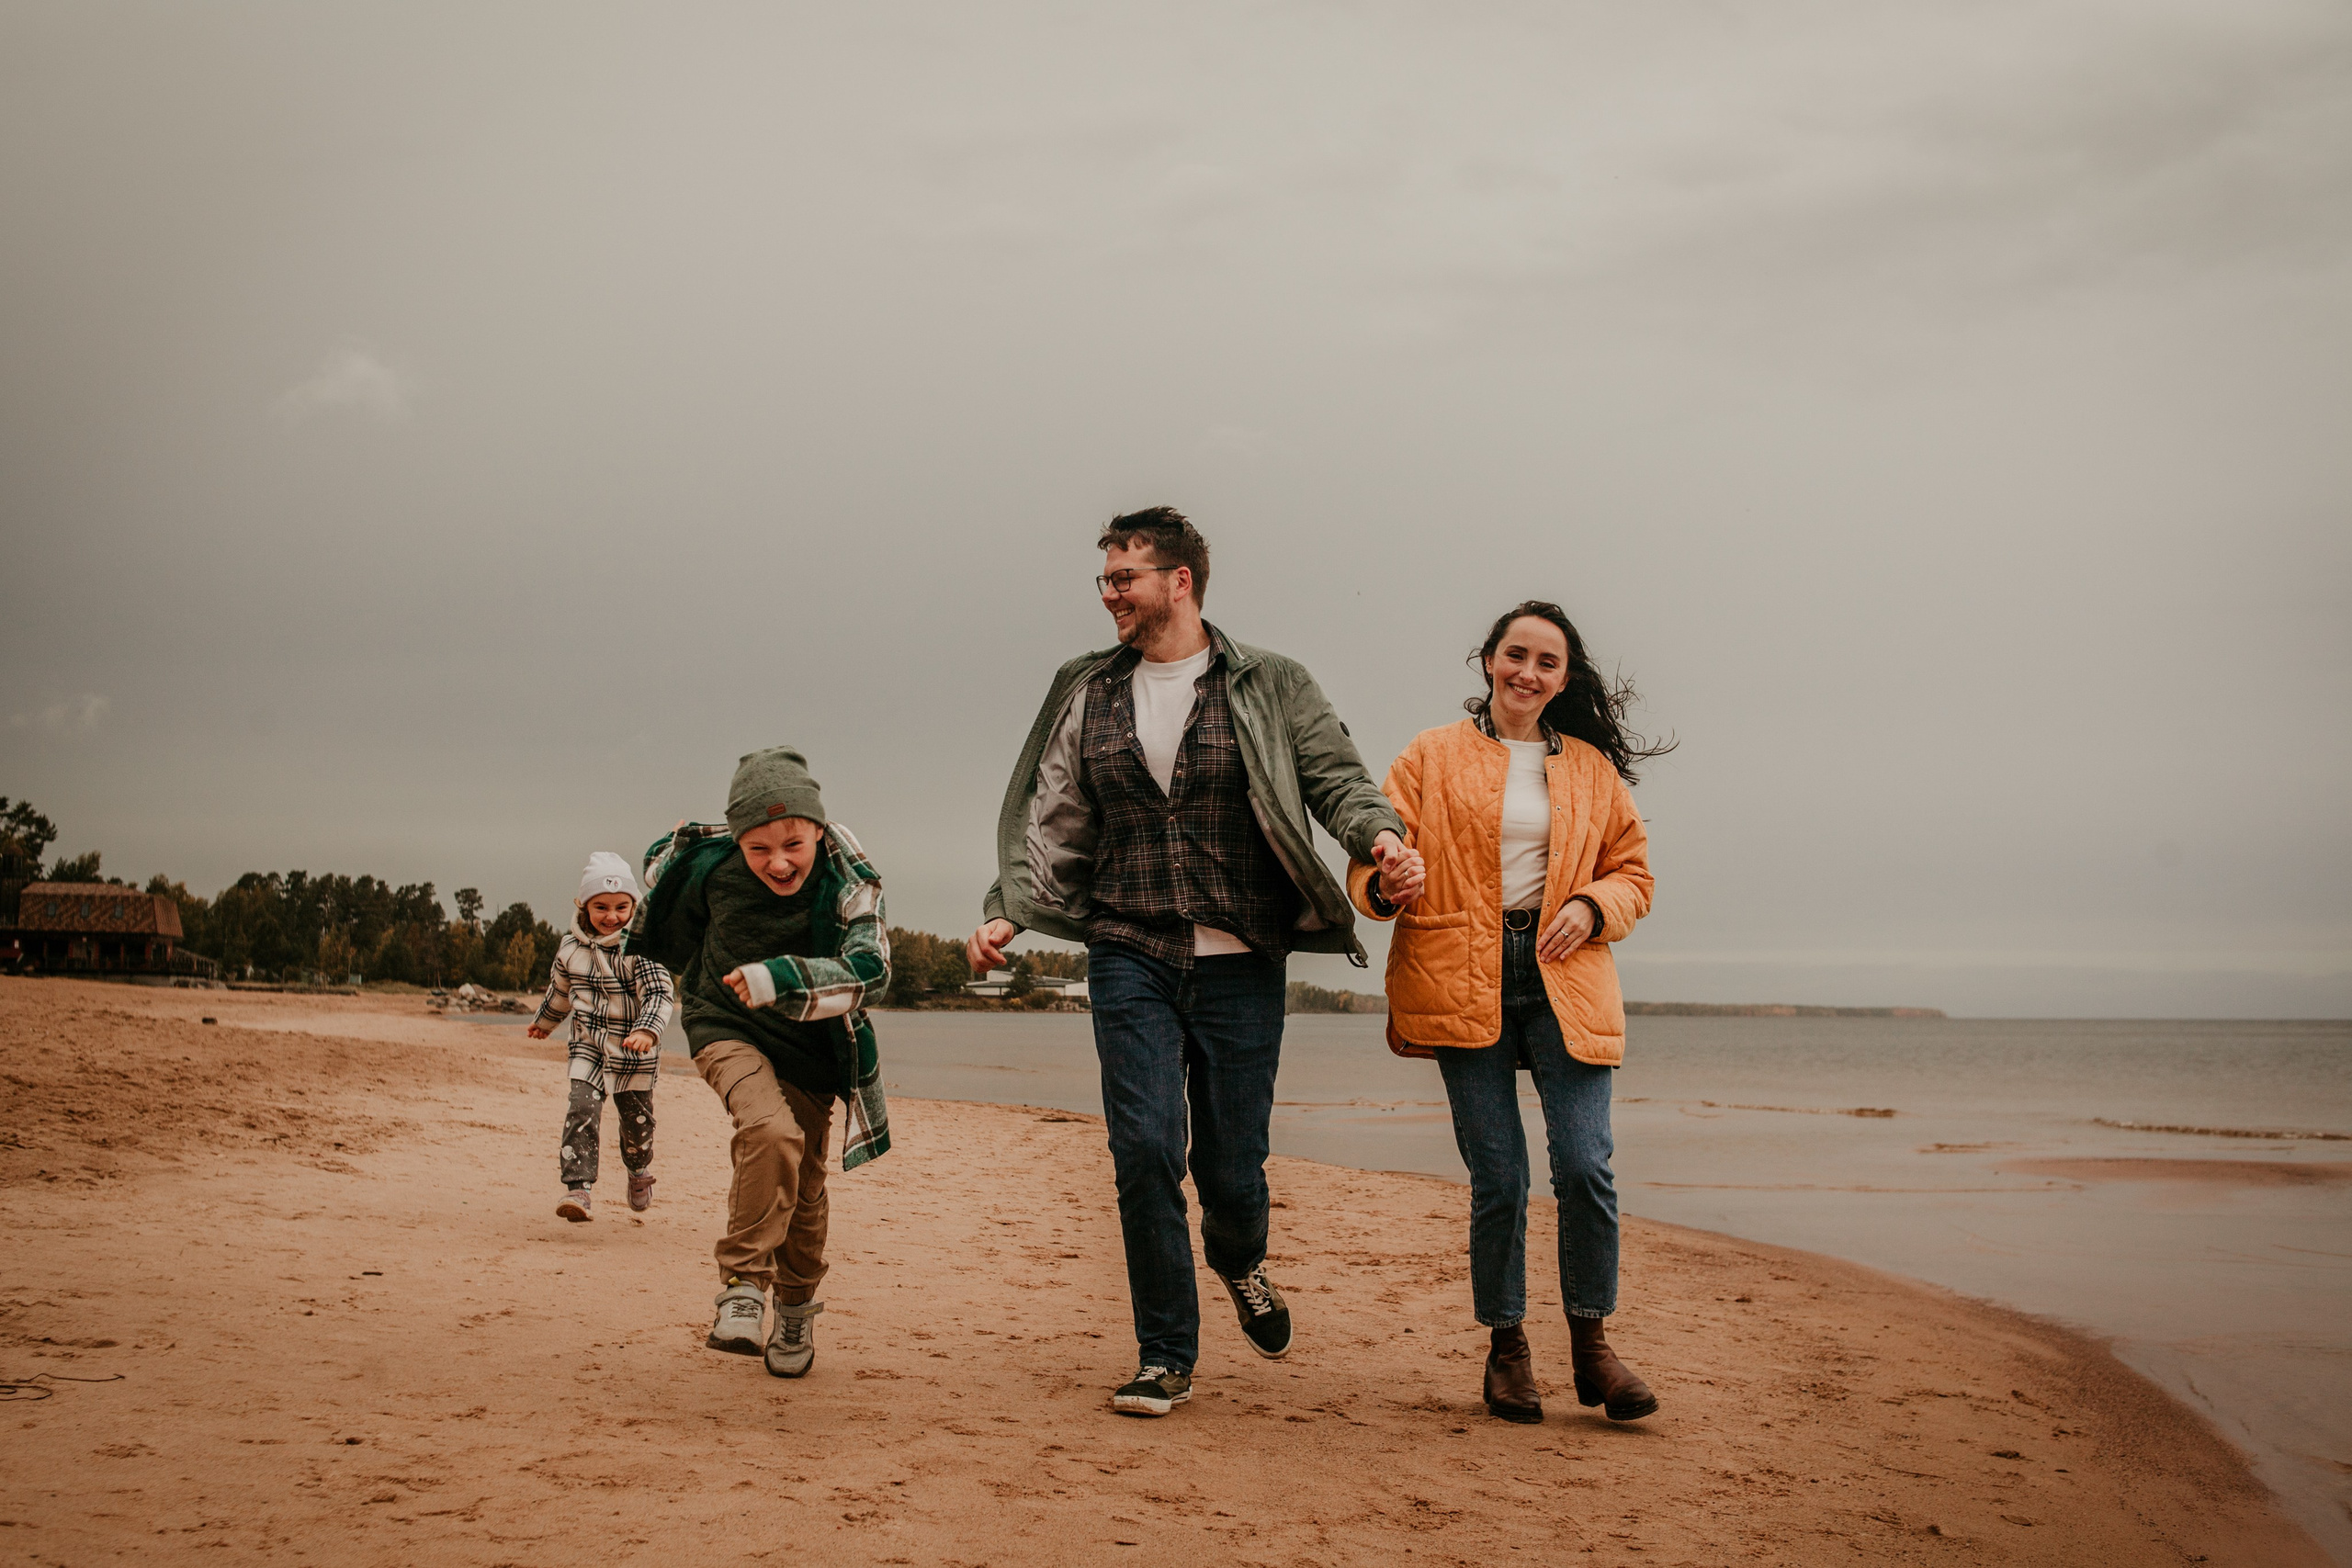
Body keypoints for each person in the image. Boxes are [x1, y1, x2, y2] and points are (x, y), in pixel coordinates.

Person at [969, 506, 1426, 1417]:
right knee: (1143, 1152)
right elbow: (1052, 808)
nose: (1109, 594)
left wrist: (1381, 840)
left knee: (1231, 1169)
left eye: (1123, 577)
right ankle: (1164, 1353)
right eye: (1104, 579)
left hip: (1242, 957)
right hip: (1128, 946)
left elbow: (1335, 776)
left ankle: (1239, 1259)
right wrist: (1007, 911)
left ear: (1179, 581)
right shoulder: (1087, 687)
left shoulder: (1269, 681)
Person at [1348, 600, 1668, 1426]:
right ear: (1488, 659)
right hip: (1461, 971)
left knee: (1587, 1167)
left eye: (1547, 662)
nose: (1528, 672)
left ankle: (1594, 1348)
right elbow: (1375, 851)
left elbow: (1634, 872)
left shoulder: (1593, 768)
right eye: (1515, 654)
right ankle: (1508, 1350)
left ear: (1565, 678)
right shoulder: (1429, 753)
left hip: (1567, 972)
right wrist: (1388, 881)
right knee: (1500, 1177)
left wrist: (1595, 906)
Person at [625, 746, 892, 1381]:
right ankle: (743, 1283)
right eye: (759, 848)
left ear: (818, 831)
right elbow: (661, 872)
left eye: (793, 843)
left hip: (811, 1043)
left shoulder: (847, 882)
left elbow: (873, 972)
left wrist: (780, 976)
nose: (778, 862)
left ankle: (795, 1307)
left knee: (805, 1184)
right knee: (770, 1131)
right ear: (738, 840)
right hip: (725, 1025)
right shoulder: (710, 863)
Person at [528, 852, 675, 1223]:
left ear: (634, 905)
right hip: (589, 1047)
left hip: (633, 1052)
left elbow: (660, 993)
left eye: (621, 907)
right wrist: (545, 1022)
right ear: (584, 907)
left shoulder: (642, 947)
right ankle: (578, 1189)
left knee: (637, 1125)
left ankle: (639, 1171)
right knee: (581, 1108)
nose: (612, 916)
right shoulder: (569, 949)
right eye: (602, 907)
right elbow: (560, 992)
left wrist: (647, 1030)